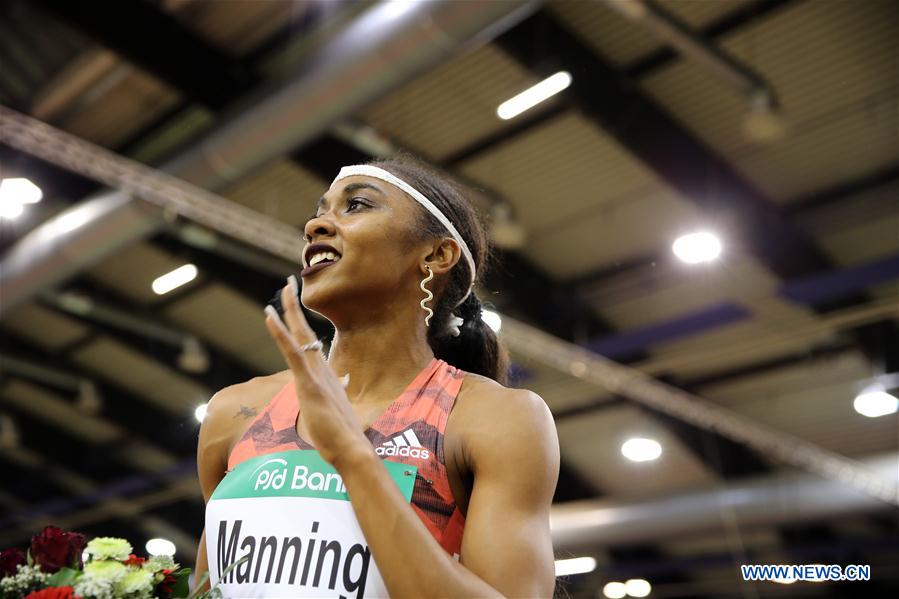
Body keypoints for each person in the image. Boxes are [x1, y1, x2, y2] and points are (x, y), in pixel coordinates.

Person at [194, 155, 559, 598]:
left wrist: (352, 457)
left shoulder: (494, 418)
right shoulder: (233, 411)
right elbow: (206, 588)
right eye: (319, 211)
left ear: (436, 255)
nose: (317, 225)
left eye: (357, 205)